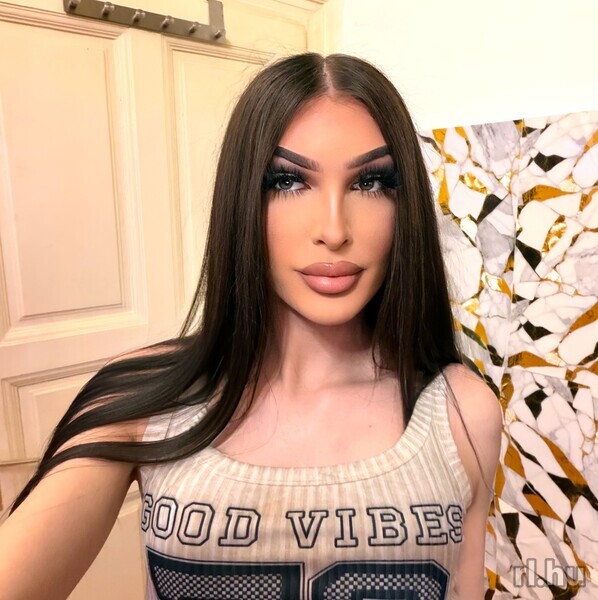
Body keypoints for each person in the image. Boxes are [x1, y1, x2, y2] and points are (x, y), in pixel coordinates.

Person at [0, 52, 502, 599]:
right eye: (288, 181)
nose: (334, 230)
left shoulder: (462, 412)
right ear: (242, 199)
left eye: (372, 183)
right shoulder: (142, 401)